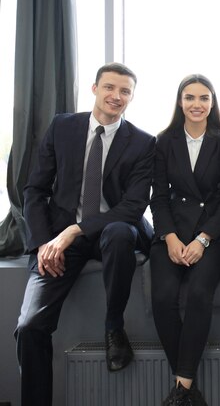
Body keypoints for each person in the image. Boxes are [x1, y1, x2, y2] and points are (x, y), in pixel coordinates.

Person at [15, 62, 155, 406]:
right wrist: (46, 242)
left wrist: (73, 231)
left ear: (132, 97)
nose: (116, 96)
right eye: (109, 88)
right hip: (59, 238)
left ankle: (113, 327)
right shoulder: (62, 127)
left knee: (121, 231)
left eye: (125, 91)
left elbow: (132, 206)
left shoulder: (142, 142)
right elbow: (35, 190)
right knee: (31, 325)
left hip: (114, 232)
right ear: (95, 89)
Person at [150, 74, 220, 406]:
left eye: (203, 98)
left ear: (212, 103)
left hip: (213, 234)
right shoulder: (163, 141)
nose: (196, 104)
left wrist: (202, 239)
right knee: (163, 299)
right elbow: (157, 199)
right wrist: (170, 238)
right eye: (189, 98)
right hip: (171, 232)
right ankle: (188, 388)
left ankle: (181, 387)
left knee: (199, 293)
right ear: (180, 102)